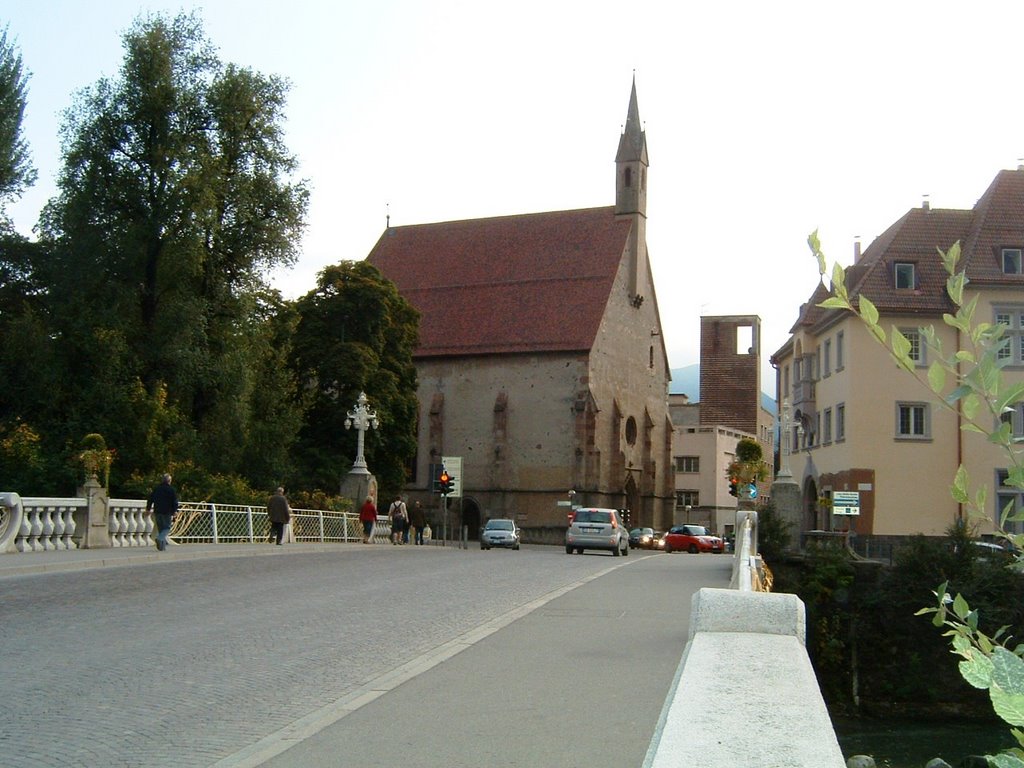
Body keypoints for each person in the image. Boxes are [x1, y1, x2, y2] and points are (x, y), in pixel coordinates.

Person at [146, 473, 179, 551]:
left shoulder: (157, 489)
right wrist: (175, 511)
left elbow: (150, 499)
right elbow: (175, 502)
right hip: (167, 512)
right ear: (169, 481)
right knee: (167, 528)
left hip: (157, 511)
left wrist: (148, 509)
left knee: (161, 529)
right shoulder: (171, 490)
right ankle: (159, 538)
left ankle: (162, 547)